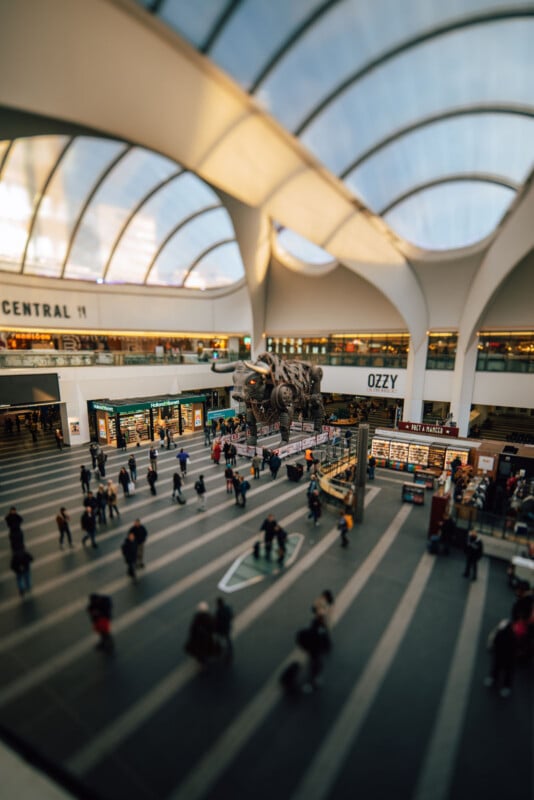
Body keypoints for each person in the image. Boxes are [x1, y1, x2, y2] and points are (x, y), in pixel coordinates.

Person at [184, 602, 219, 667]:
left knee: (199, 649)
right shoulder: (209, 617)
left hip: (199, 638)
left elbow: (193, 628)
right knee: (206, 648)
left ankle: (201, 658)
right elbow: (212, 627)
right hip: (206, 638)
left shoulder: (197, 618)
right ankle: (205, 657)